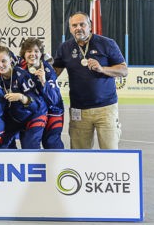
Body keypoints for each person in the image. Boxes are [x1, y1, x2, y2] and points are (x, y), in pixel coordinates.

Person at [53, 12, 128, 149]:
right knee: (79, 155)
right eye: (74, 25)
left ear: (90, 26)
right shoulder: (65, 48)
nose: (78, 28)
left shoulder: (107, 43)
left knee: (110, 153)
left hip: (106, 108)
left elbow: (123, 70)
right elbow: (53, 74)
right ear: (70, 28)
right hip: (79, 110)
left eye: (82, 24)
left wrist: (102, 69)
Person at [0, 46, 48, 149]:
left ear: (10, 59)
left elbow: (36, 104)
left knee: (29, 146)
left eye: (4, 61)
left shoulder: (21, 75)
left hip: (34, 114)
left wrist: (22, 97)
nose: (0, 65)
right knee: (1, 146)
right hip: (15, 117)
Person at [19, 38, 64, 149]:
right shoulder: (20, 68)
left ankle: (58, 166)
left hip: (53, 110)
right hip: (34, 110)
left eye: (36, 51)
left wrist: (44, 81)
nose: (32, 54)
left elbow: (54, 99)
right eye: (29, 51)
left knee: (51, 143)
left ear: (41, 54)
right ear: (24, 54)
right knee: (29, 144)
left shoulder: (48, 71)